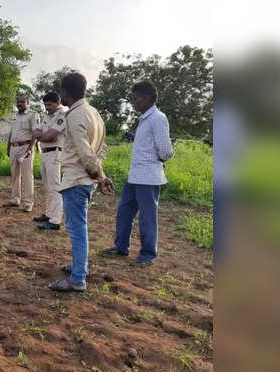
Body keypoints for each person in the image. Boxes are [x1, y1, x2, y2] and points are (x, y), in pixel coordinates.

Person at [49, 72, 115, 292]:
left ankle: (78, 279)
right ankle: (79, 267)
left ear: (65, 93)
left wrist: (99, 175)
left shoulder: (76, 115)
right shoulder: (94, 113)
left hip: (77, 180)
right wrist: (99, 174)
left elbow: (86, 154)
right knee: (78, 227)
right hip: (85, 180)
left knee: (77, 230)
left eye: (61, 93)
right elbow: (102, 149)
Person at [101, 81, 174, 267]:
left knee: (147, 217)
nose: (133, 103)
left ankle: (148, 254)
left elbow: (165, 150)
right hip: (135, 176)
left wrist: (154, 161)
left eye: (136, 99)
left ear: (148, 99)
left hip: (148, 177)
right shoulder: (145, 119)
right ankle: (121, 246)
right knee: (124, 211)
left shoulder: (158, 118)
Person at [33, 92, 67, 230]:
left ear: (58, 102)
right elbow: (37, 132)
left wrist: (42, 135)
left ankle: (55, 220)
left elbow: (51, 136)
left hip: (55, 153)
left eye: (50, 104)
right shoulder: (47, 116)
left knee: (54, 188)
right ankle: (49, 213)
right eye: (45, 104)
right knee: (47, 186)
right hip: (45, 153)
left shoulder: (63, 115)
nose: (47, 107)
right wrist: (43, 135)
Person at [3, 94, 39, 212]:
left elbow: (35, 133)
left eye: (22, 102)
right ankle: (15, 199)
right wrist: (8, 147)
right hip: (14, 148)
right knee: (14, 175)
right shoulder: (15, 116)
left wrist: (30, 148)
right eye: (18, 102)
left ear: (28, 103)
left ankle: (28, 203)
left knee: (27, 176)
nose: (19, 104)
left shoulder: (33, 115)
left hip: (25, 147)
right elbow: (11, 133)